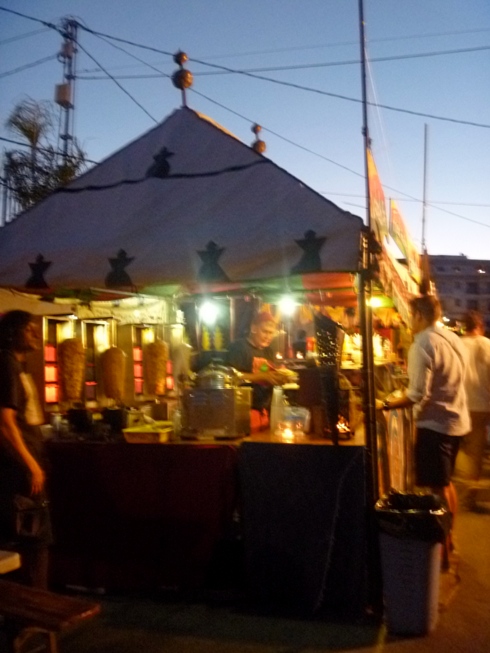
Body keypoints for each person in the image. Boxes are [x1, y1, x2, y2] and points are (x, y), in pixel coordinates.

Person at [378, 295, 470, 567]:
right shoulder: (453, 338)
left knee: (437, 489)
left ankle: (441, 547)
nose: (408, 322)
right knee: (445, 483)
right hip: (456, 422)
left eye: (410, 315)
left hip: (435, 425)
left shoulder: (422, 345)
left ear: (418, 314)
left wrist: (383, 404)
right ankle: (449, 537)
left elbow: (417, 394)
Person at [0, 310, 53, 588]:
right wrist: (30, 464)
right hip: (18, 468)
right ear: (11, 333)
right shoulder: (6, 364)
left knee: (28, 539)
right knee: (33, 539)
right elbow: (5, 422)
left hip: (23, 463)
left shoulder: (18, 366)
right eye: (28, 329)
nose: (35, 334)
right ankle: (36, 612)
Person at [227, 311, 291, 430]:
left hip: (264, 412)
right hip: (244, 413)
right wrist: (263, 377)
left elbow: (263, 370)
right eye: (265, 331)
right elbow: (230, 377)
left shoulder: (268, 351)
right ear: (254, 328)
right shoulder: (238, 348)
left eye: (271, 333)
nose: (268, 337)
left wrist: (278, 377)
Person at [454, 310, 490, 509]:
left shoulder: (456, 344)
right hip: (480, 406)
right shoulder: (486, 344)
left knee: (460, 447)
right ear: (479, 326)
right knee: (475, 452)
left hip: (457, 404)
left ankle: (454, 489)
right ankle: (468, 498)